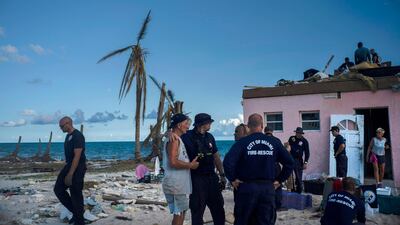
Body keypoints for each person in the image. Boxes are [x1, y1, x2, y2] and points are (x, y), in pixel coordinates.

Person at [224, 114, 294, 225]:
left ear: (248, 126)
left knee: (243, 220)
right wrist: (279, 180)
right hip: (267, 189)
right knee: (265, 221)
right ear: (262, 126)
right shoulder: (274, 142)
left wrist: (232, 179)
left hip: (246, 188)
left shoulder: (242, 143)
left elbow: (228, 162)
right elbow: (289, 163)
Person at [180, 113, 226, 225]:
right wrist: (170, 133)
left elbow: (216, 156)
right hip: (196, 178)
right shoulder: (187, 136)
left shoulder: (210, 137)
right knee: (197, 210)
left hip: (212, 177)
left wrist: (222, 174)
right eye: (209, 122)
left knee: (218, 208)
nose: (210, 124)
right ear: (203, 124)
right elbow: (173, 137)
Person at [162, 113, 199, 225]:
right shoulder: (174, 140)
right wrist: (190, 165)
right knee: (179, 215)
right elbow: (173, 162)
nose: (188, 126)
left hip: (178, 185)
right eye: (186, 123)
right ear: (179, 125)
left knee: (181, 213)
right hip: (175, 185)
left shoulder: (176, 137)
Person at [54, 117, 87, 225]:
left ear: (68, 123)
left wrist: (70, 174)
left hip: (78, 167)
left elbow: (77, 157)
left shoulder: (78, 136)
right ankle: (77, 214)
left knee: (76, 193)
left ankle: (79, 220)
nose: (60, 128)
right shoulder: (68, 136)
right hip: (69, 165)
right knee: (58, 189)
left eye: (61, 126)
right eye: (60, 126)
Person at [264, 127, 283, 210]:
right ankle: (278, 205)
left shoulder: (261, 141)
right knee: (278, 185)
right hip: (275, 165)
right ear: (272, 131)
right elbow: (282, 155)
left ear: (264, 131)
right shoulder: (277, 140)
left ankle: (267, 205)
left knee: (265, 185)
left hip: (264, 166)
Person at [288, 127, 310, 193]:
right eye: (297, 133)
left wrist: (305, 162)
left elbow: (307, 153)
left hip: (298, 160)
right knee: (290, 176)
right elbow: (288, 147)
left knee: (298, 177)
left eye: (300, 133)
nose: (298, 134)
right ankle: (292, 190)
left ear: (302, 134)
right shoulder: (292, 138)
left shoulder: (304, 141)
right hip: (291, 159)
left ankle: (299, 190)